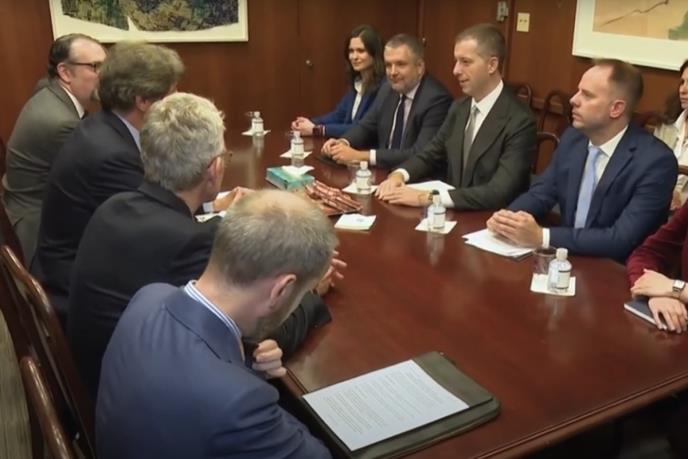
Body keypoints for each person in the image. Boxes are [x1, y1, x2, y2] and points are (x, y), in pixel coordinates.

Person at [68, 93, 341, 398]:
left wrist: (214, 209)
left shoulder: (114, 206)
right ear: (214, 169)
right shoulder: (189, 242)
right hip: (136, 396)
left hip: (97, 372)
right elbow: (257, 339)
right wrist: (309, 292)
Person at [96, 189, 335, 459]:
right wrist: (247, 383)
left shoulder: (149, 296)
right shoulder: (239, 402)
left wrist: (246, 366)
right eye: (301, 295)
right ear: (281, 290)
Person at [34, 41, 186, 322]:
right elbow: (160, 229)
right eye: (172, 92)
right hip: (84, 297)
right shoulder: (112, 155)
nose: (178, 100)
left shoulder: (103, 126)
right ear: (143, 101)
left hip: (78, 268)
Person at [487, 59, 677, 262]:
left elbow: (622, 239)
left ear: (616, 108)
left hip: (617, 269)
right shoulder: (574, 139)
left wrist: (542, 236)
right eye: (578, 91)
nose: (573, 100)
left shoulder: (656, 162)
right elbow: (541, 193)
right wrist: (507, 219)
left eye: (587, 95)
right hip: (567, 259)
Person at [375, 24, 536, 210]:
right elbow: (431, 153)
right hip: (452, 215)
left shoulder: (520, 120)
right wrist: (400, 174)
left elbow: (499, 191)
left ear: (492, 65)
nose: (456, 70)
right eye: (456, 61)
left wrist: (427, 197)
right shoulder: (459, 107)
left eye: (465, 62)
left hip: (491, 218)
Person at [1, 34, 105, 264]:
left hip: (21, 203)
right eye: (95, 67)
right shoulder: (61, 123)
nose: (105, 76)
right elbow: (95, 184)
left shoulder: (49, 90)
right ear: (65, 73)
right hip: (37, 228)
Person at [321, 34, 452, 169]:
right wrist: (343, 143)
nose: (392, 72)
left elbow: (420, 154)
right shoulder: (387, 89)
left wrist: (361, 156)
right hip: (383, 170)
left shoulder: (437, 99)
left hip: (417, 176)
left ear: (419, 67)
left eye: (400, 64)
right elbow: (366, 126)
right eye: (388, 65)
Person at [291, 24, 385, 138]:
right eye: (351, 51)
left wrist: (317, 130)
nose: (354, 57)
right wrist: (309, 123)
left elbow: (362, 128)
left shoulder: (383, 87)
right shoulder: (357, 83)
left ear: (375, 54)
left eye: (360, 51)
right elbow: (338, 115)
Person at [654, 59, 688, 211]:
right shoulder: (666, 126)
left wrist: (680, 199)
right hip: (655, 204)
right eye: (682, 82)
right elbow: (648, 168)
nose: (683, 90)